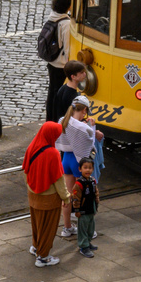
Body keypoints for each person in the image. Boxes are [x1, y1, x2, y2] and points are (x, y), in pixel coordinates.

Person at [22, 121, 69, 267]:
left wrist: (31, 188)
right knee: (48, 227)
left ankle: (36, 247)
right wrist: (66, 197)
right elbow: (59, 179)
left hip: (33, 194)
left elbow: (25, 170)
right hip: (49, 197)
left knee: (37, 224)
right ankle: (43, 257)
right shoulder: (53, 153)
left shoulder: (32, 146)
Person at [56, 96, 102, 237]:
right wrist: (92, 127)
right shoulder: (83, 127)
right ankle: (86, 231)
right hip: (78, 162)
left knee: (68, 196)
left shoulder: (62, 120)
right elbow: (90, 143)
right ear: (84, 110)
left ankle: (67, 227)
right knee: (84, 197)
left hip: (66, 160)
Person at [43, 0, 74, 121]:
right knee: (58, 94)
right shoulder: (66, 23)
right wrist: (69, 65)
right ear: (68, 5)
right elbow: (67, 47)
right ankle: (57, 120)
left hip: (52, 61)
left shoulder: (53, 16)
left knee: (52, 92)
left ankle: (49, 119)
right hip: (61, 64)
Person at [70, 155, 100, 258]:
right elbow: (75, 198)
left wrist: (96, 203)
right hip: (83, 210)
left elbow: (96, 193)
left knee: (90, 227)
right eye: (85, 167)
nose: (88, 170)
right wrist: (77, 210)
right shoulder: (79, 184)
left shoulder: (92, 181)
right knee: (82, 228)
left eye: (90, 167)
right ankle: (83, 246)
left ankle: (88, 242)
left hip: (91, 208)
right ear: (80, 169)